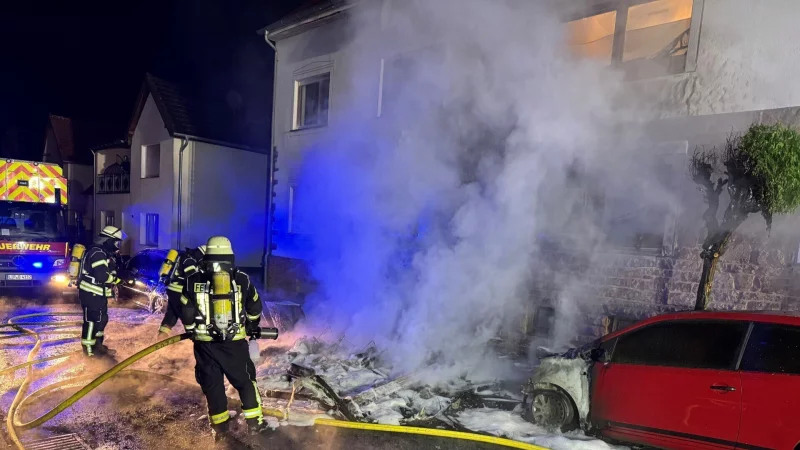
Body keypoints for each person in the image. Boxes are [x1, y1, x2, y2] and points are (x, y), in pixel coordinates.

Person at [180, 236, 267, 441]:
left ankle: (220, 430)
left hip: (205, 346)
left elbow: (185, 310)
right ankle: (255, 425)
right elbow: (255, 306)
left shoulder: (192, 279)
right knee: (245, 382)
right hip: (234, 344)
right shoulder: (242, 278)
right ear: (230, 256)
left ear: (207, 256)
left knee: (213, 386)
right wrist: (252, 326)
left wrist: (191, 330)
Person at [76, 225, 127, 357]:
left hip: (98, 294)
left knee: (101, 320)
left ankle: (98, 346)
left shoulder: (103, 253)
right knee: (91, 322)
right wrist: (117, 280)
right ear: (108, 240)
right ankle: (89, 351)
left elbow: (108, 271)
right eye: (116, 242)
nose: (117, 246)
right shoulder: (97, 253)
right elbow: (102, 276)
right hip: (91, 294)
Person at [156, 245, 206, 339]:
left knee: (172, 313)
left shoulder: (184, 257)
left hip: (173, 289)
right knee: (188, 310)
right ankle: (192, 333)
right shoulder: (188, 260)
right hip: (179, 290)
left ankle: (162, 335)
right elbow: (191, 276)